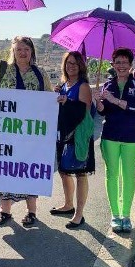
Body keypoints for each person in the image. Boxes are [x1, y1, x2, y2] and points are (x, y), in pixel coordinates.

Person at [0, 36, 52, 227]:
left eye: (26, 49)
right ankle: (5, 210)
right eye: (19, 49)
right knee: (5, 171)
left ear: (31, 51)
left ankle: (31, 211)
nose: (23, 53)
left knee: (29, 171)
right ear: (13, 51)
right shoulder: (1, 69)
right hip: (5, 133)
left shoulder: (40, 74)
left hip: (31, 135)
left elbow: (49, 99)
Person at [94, 47, 135, 233]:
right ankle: (115, 215)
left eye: (125, 62)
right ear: (113, 65)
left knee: (128, 174)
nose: (121, 66)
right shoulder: (107, 86)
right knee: (112, 174)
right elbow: (104, 112)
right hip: (110, 136)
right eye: (118, 62)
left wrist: (114, 100)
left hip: (131, 136)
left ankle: (126, 215)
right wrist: (98, 103)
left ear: (130, 65)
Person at [51, 51, 95, 229]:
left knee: (80, 173)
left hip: (79, 137)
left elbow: (82, 111)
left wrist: (66, 102)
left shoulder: (83, 86)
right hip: (63, 134)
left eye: (75, 64)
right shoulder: (64, 85)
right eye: (68, 63)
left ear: (81, 67)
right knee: (63, 171)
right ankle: (68, 204)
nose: (71, 66)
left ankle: (79, 214)